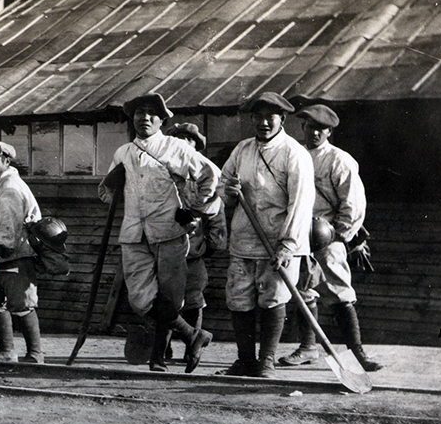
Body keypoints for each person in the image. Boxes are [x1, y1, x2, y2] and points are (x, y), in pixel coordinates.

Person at [99, 93, 217, 373]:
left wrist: (195, 210)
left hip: (169, 232)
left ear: (162, 119)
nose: (145, 118)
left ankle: (158, 358)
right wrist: (114, 189)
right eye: (140, 112)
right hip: (133, 234)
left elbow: (210, 175)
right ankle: (192, 334)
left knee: (171, 298)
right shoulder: (123, 152)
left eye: (152, 113)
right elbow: (104, 193)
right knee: (140, 299)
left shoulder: (175, 148)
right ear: (133, 118)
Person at [278, 104, 383, 372]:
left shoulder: (339, 160)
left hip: (328, 235)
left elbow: (353, 203)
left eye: (321, 129)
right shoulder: (294, 155)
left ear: (329, 132)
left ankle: (357, 353)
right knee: (302, 290)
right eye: (310, 127)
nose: (314, 133)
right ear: (303, 127)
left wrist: (338, 234)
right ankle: (307, 347)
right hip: (299, 235)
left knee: (338, 291)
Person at [218, 92, 315, 379]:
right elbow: (223, 186)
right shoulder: (242, 150)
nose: (263, 123)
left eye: (269, 117)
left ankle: (266, 361)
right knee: (239, 298)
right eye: (258, 117)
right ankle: (245, 360)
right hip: (244, 240)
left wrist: (287, 245)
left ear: (282, 119)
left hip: (278, 242)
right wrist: (229, 191)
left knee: (273, 298)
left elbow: (301, 203)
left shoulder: (294, 153)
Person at [163, 123, 228, 362]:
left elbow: (216, 215)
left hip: (193, 251)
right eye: (178, 138)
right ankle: (163, 348)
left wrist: (209, 245)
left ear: (196, 147)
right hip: (163, 248)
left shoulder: (204, 176)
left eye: (188, 139)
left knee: (193, 299)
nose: (183, 142)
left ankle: (192, 347)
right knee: (163, 299)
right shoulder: (162, 171)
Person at [0, 141, 43, 363]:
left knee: (22, 303)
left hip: (17, 253)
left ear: (6, 161)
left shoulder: (11, 186)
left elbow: (8, 223)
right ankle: (6, 350)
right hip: (3, 256)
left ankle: (35, 354)